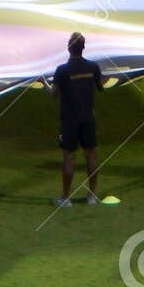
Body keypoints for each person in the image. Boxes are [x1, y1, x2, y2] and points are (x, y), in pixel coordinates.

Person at [49, 32, 102, 206]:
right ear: (83, 48)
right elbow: (101, 87)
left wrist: (44, 83)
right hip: (88, 118)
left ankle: (65, 198)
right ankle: (92, 196)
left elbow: (53, 95)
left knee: (69, 157)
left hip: (70, 120)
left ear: (68, 48)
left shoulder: (62, 70)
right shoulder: (93, 67)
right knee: (91, 155)